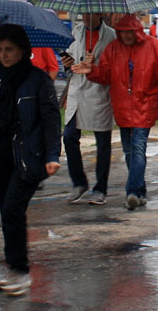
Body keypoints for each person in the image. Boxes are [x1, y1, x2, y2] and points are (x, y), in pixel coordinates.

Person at [0, 24, 61, 296]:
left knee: (12, 208)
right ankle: (14, 268)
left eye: (9, 49)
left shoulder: (37, 80)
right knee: (7, 213)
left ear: (23, 50)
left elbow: (50, 120)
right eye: (0, 50)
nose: (4, 55)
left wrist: (51, 155)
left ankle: (20, 271)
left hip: (27, 158)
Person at [72, 15, 158, 209]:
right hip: (122, 108)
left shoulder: (155, 47)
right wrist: (91, 70)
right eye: (123, 32)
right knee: (129, 151)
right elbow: (105, 75)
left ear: (137, 31)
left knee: (137, 148)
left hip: (145, 105)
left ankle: (133, 192)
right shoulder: (113, 49)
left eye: (129, 32)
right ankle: (140, 191)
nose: (126, 36)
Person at [60, 13, 116, 205]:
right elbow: (71, 60)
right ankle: (79, 182)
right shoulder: (76, 32)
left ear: (100, 14)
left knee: (102, 143)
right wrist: (67, 64)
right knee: (68, 136)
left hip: (98, 94)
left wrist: (95, 66)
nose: (87, 17)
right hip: (77, 92)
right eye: (85, 13)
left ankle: (100, 188)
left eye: (91, 13)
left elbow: (114, 69)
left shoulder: (111, 36)